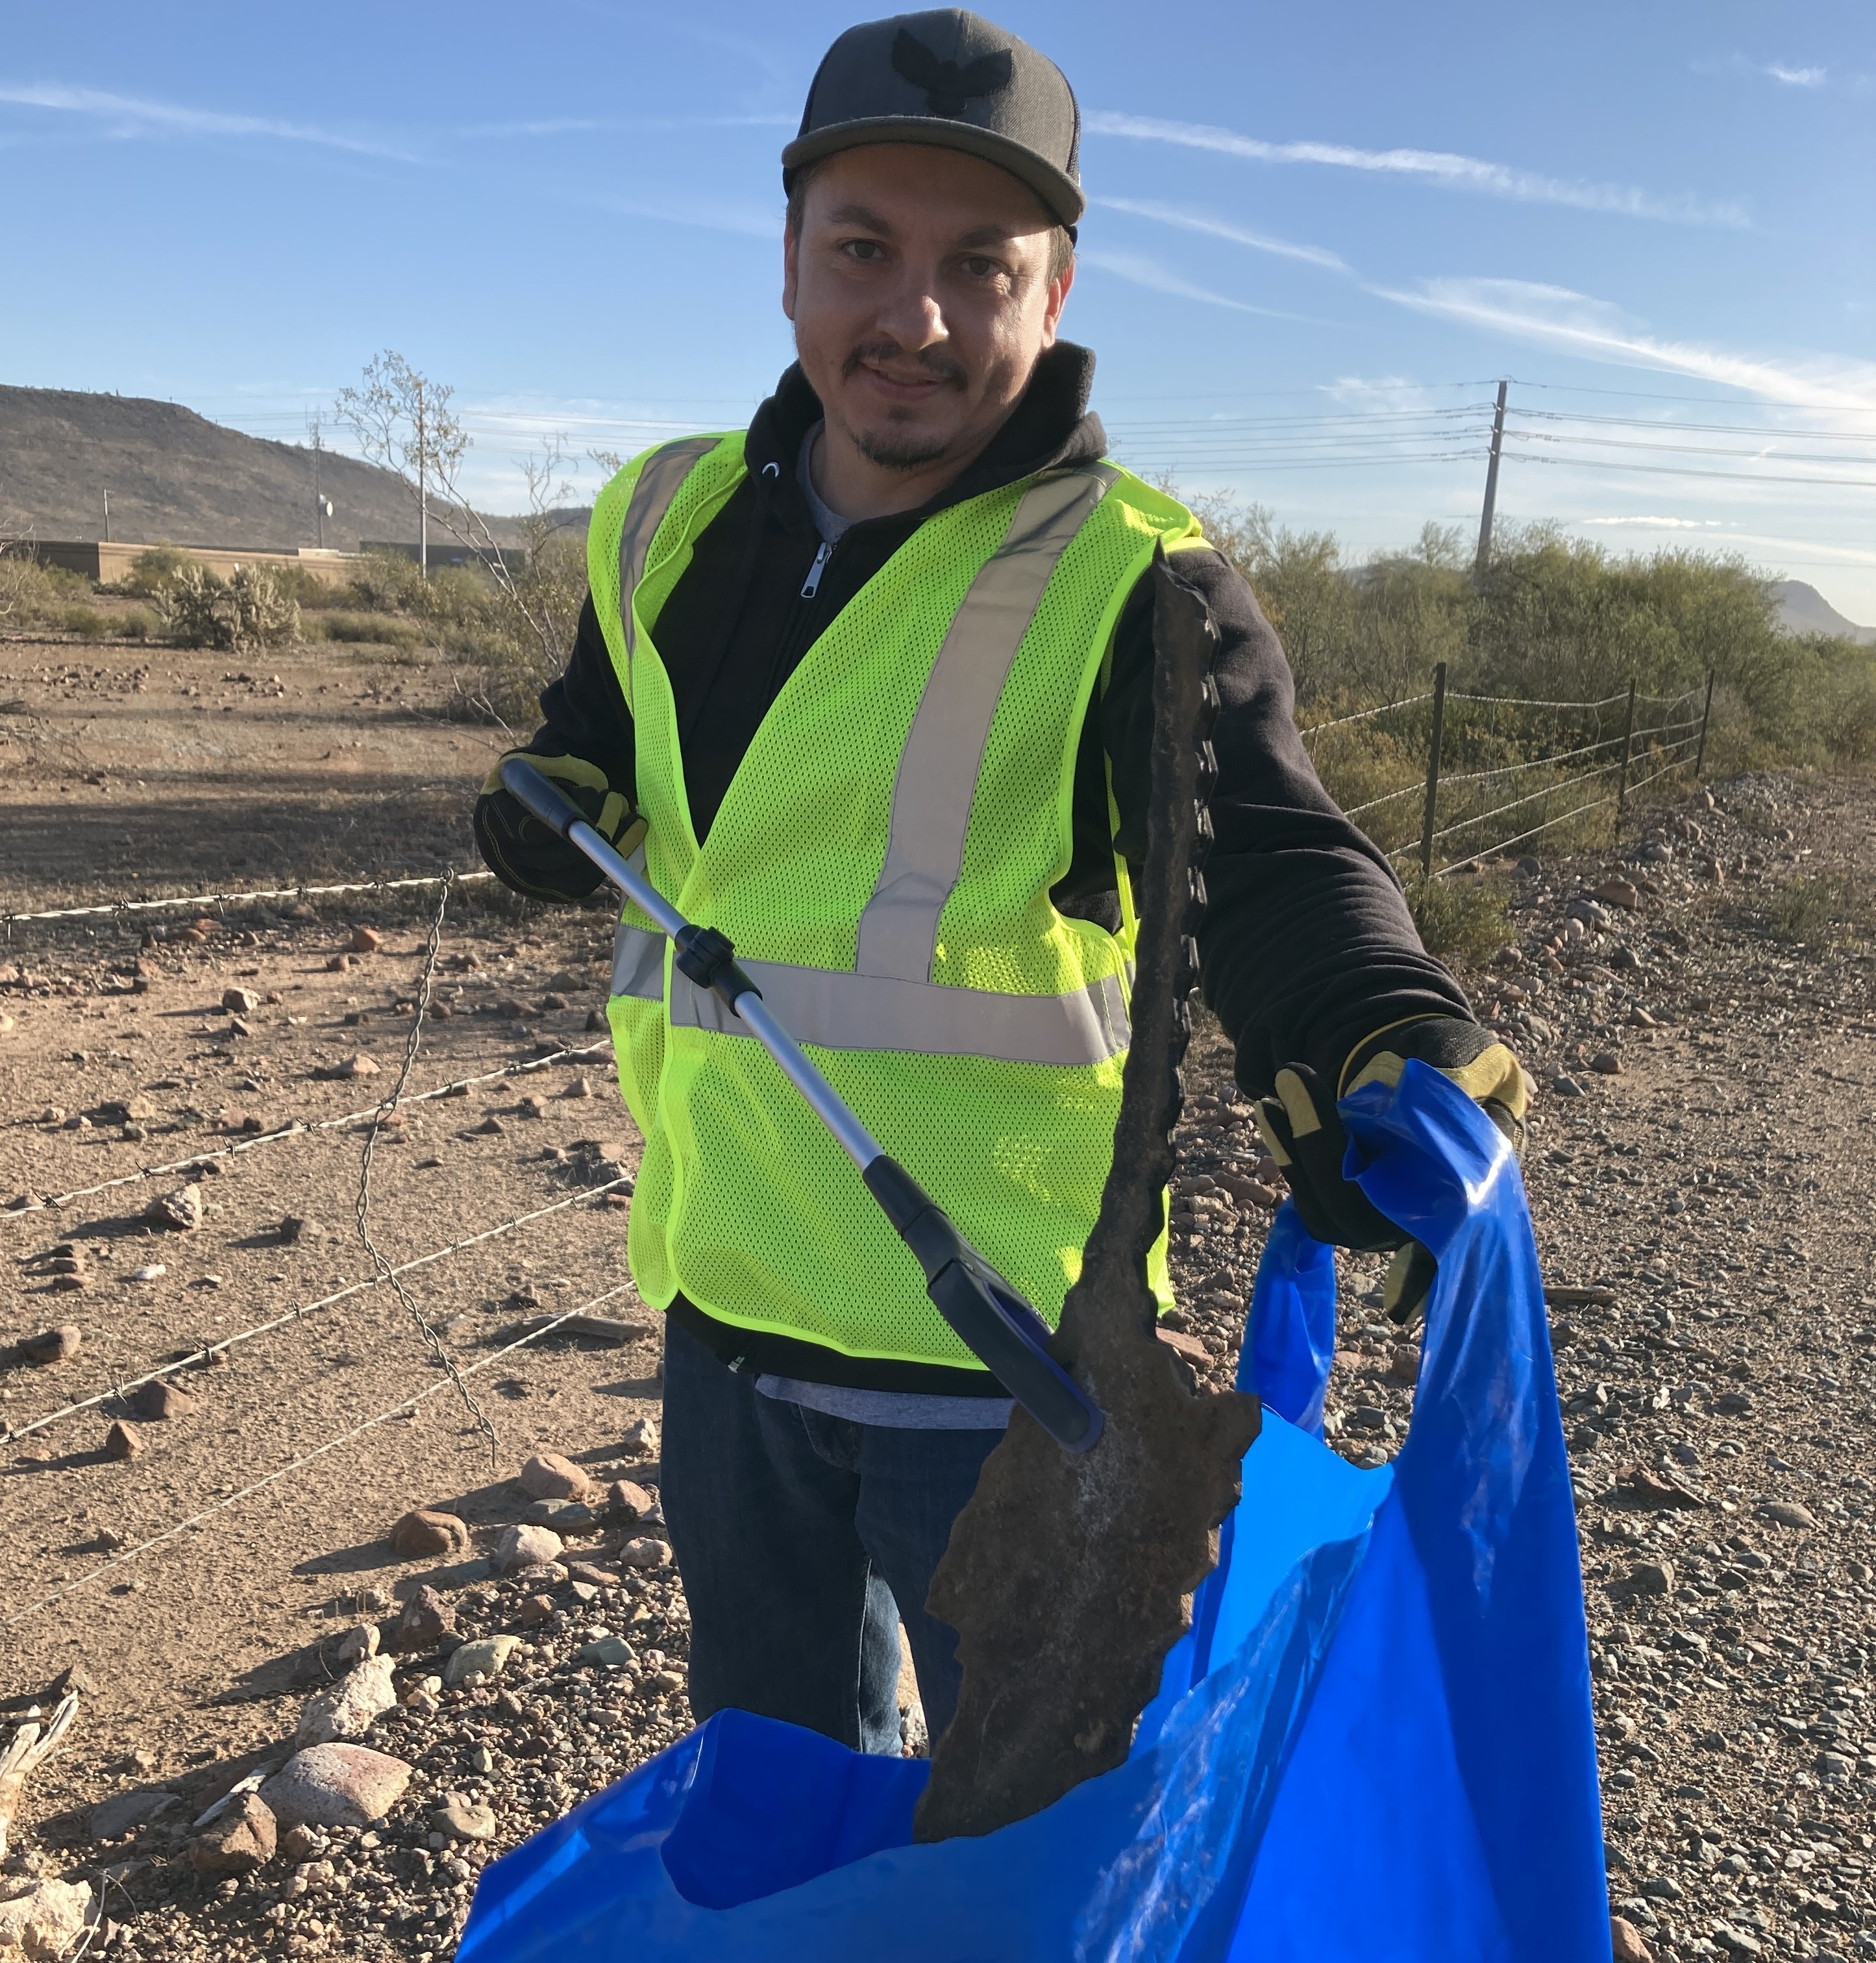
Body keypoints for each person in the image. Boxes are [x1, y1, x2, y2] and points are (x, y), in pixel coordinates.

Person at [475, 8, 1526, 1760]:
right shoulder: (659, 514)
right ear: (793, 261)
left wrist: (1376, 1027)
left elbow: (1272, 856)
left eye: (985, 265)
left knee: (1011, 1848)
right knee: (774, 1796)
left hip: (1009, 1376)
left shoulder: (1137, 580)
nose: (919, 317)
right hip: (724, 1315)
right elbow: (608, 721)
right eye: (867, 251)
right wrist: (555, 785)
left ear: (1055, 295)